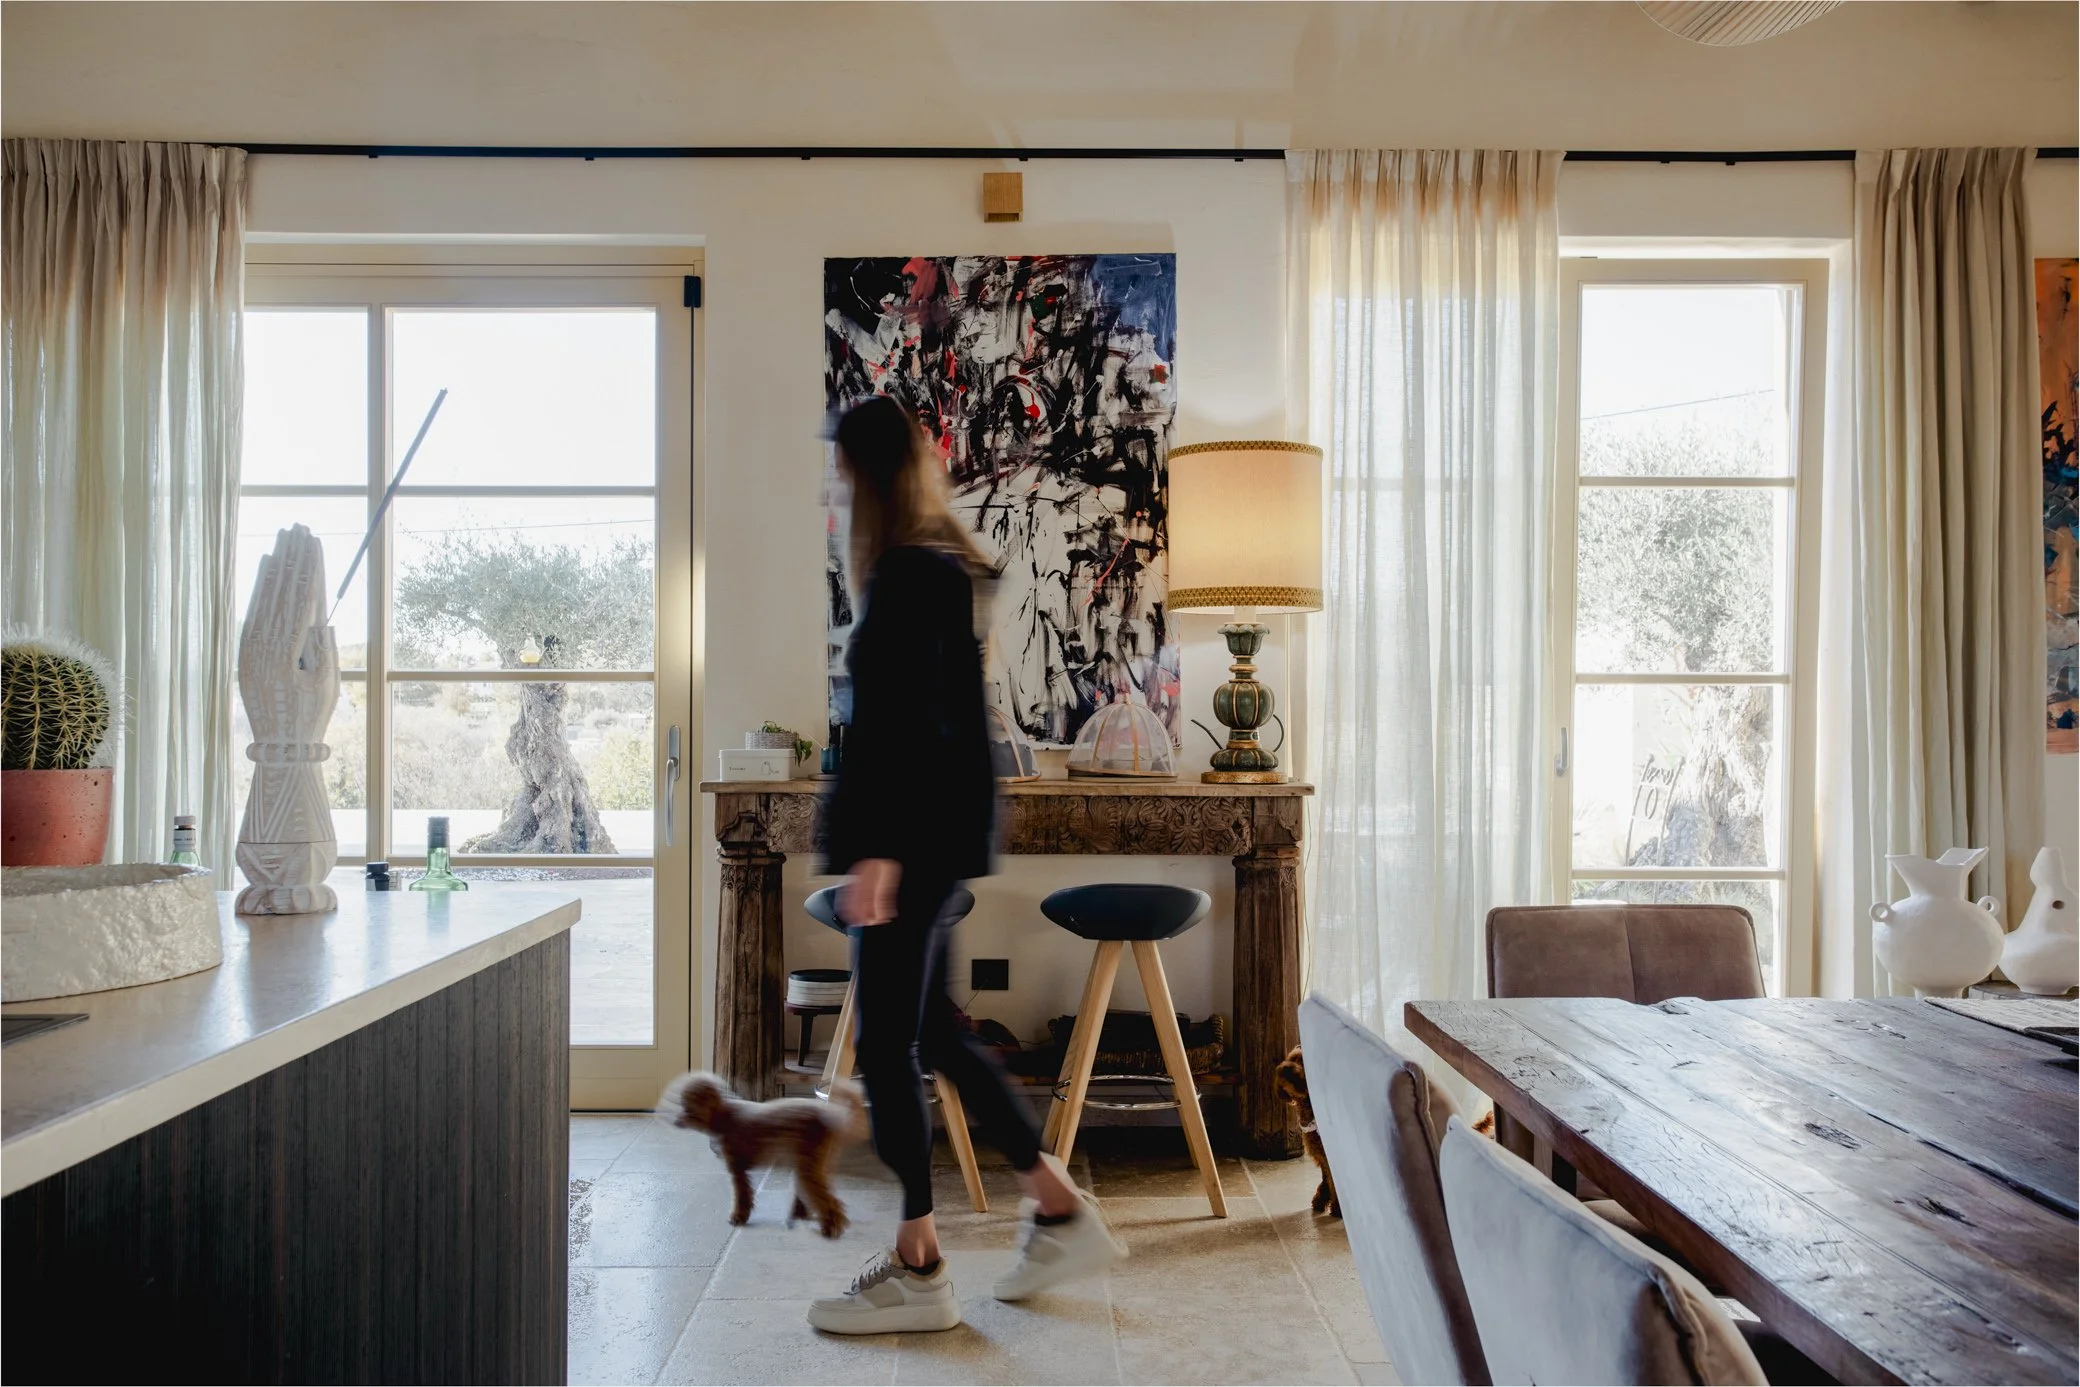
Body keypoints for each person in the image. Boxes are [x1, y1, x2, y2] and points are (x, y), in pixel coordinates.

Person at [809, 396, 1124, 1335]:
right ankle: (1056, 1206)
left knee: (889, 1048)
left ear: (869, 476)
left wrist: (879, 851)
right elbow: (934, 724)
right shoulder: (934, 567)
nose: (834, 491)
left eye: (841, 474)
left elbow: (908, 728)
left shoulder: (908, 574)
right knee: (933, 1036)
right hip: (930, 839)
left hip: (905, 843)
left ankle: (920, 1266)